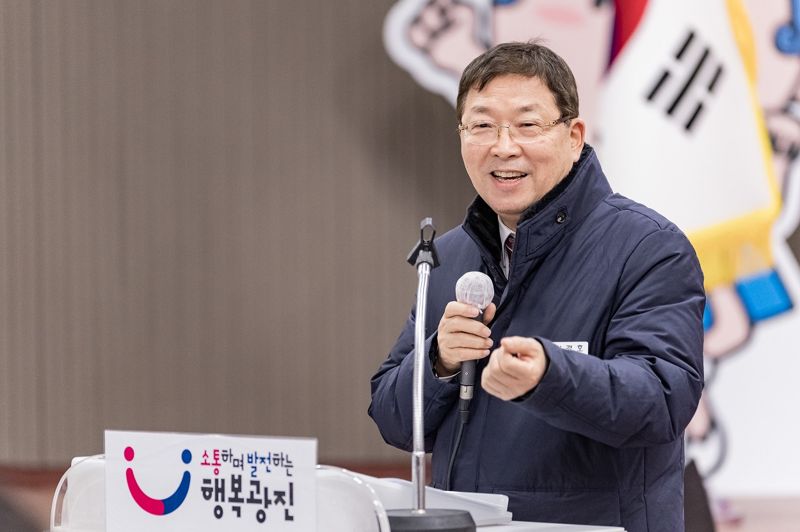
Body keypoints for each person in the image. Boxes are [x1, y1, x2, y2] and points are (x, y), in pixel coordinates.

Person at [368, 41, 705, 532]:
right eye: (482, 126)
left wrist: (552, 375)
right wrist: (439, 361)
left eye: (527, 125)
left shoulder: (648, 246)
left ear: (574, 136)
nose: (503, 146)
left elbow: (662, 400)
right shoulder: (447, 256)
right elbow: (392, 418)